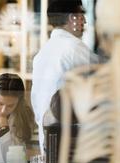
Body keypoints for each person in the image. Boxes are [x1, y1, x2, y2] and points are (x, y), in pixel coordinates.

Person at [30, 0, 100, 154]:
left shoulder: (41, 54)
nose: (85, 21)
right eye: (81, 15)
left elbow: (36, 103)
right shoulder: (75, 48)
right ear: (71, 18)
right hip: (71, 140)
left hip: (47, 138)